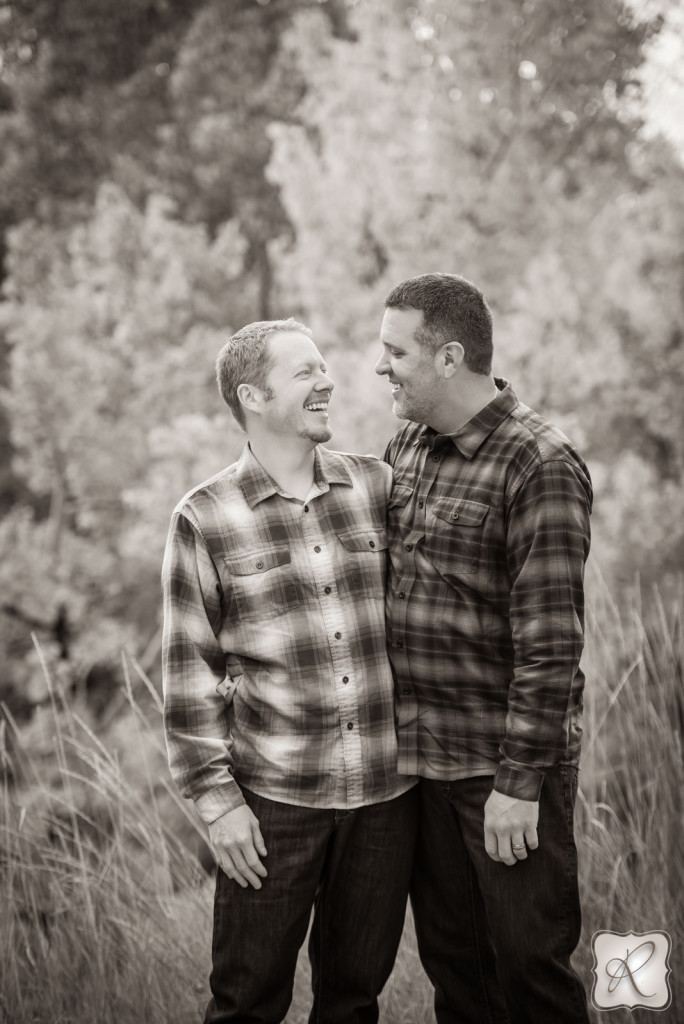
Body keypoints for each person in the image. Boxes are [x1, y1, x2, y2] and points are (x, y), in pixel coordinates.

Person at [161, 318, 417, 1024]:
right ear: (252, 394)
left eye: (324, 367)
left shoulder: (378, 486)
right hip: (273, 806)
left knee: (354, 1001)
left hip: (384, 801)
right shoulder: (204, 518)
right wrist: (218, 804)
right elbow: (188, 677)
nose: (328, 380)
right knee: (246, 1003)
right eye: (306, 372)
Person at [375, 273, 592, 1024]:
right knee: (458, 977)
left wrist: (519, 784)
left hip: (500, 776)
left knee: (531, 974)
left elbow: (550, 644)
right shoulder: (406, 445)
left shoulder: (539, 463)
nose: (381, 368)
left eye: (394, 351)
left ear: (448, 357)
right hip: (424, 770)